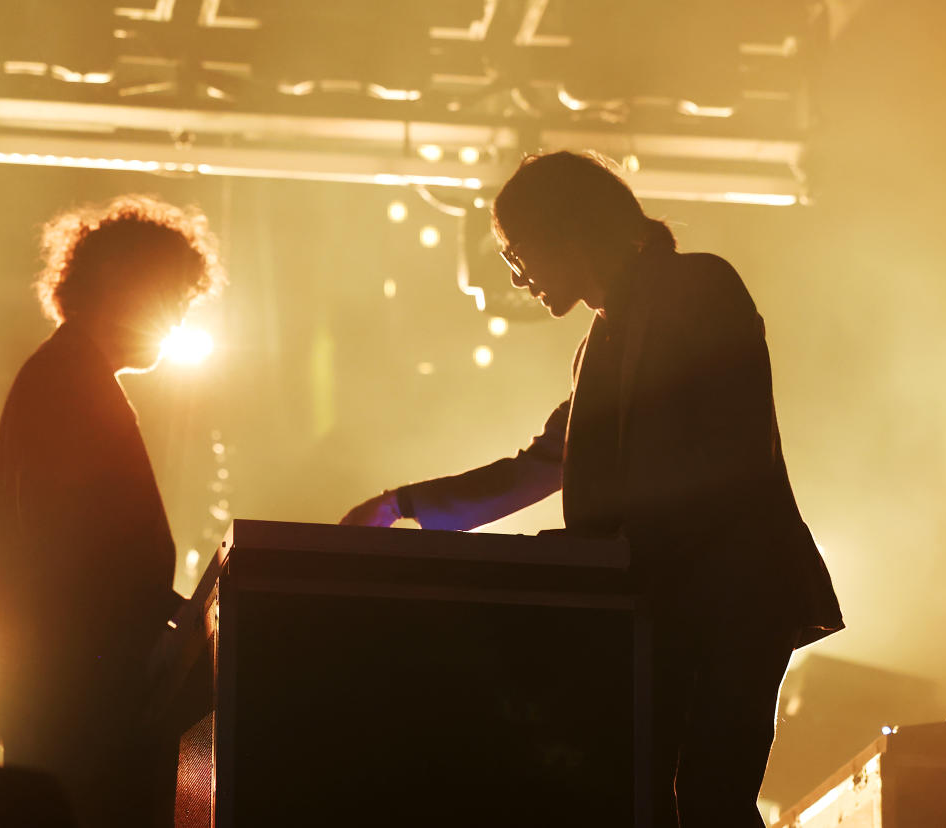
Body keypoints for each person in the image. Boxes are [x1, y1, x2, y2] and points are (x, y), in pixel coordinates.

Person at [341, 151, 843, 827]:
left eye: (518, 252)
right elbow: (545, 461)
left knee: (707, 797)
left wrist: (602, 547)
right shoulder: (602, 342)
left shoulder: (696, 288)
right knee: (664, 798)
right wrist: (401, 504)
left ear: (567, 231)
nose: (517, 277)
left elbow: (720, 454)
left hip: (732, 590)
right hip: (679, 598)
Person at [0, 194, 223, 828]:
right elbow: (80, 563)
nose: (178, 319)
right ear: (128, 288)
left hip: (69, 696)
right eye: (174, 296)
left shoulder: (70, 373)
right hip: (79, 704)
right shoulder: (71, 384)